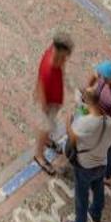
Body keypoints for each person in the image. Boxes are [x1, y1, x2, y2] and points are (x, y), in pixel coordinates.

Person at [63, 95, 111, 222]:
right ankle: (96, 214)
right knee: (98, 188)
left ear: (88, 103)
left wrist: (68, 122)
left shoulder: (84, 124)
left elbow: (72, 137)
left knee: (82, 197)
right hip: (101, 164)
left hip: (84, 167)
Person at [34, 33, 72, 175]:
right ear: (56, 52)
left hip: (54, 101)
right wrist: (45, 109)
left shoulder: (52, 54)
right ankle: (39, 155)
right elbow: (42, 86)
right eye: (63, 57)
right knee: (44, 128)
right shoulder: (48, 70)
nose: (64, 60)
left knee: (48, 127)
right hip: (48, 105)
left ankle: (47, 141)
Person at [85, 61, 111, 180]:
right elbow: (94, 75)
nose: (100, 77)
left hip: (109, 129)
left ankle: (107, 176)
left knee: (108, 151)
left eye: (102, 76)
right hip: (98, 118)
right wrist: (88, 89)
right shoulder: (105, 77)